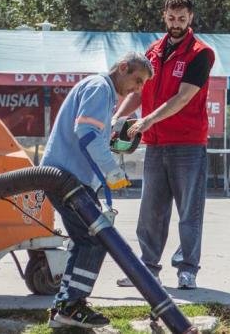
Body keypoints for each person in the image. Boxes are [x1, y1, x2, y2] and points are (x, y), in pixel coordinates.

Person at [41, 52, 153, 329]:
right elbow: (87, 135)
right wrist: (112, 171)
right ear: (123, 67)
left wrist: (111, 139)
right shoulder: (100, 88)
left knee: (86, 240)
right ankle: (71, 305)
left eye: (142, 85)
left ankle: (65, 306)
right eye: (137, 80)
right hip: (69, 179)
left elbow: (92, 134)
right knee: (93, 240)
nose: (138, 89)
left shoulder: (100, 90)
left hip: (69, 179)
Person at [113, 0, 215, 290]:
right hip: (156, 145)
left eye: (182, 19)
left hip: (188, 144)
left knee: (189, 213)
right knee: (151, 211)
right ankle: (147, 269)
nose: (176, 24)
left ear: (191, 18)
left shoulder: (201, 53)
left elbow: (183, 97)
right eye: (171, 18)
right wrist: (118, 118)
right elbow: (138, 92)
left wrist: (146, 121)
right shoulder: (153, 51)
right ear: (164, 15)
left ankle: (187, 269)